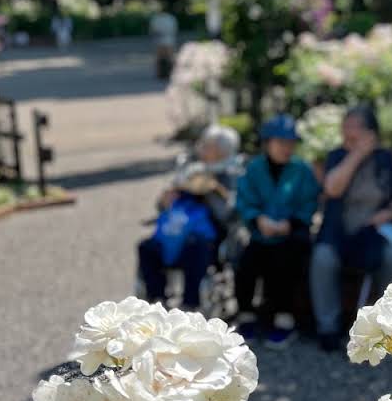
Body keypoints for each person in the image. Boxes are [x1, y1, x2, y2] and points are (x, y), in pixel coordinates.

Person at [310, 106, 392, 350]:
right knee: (322, 258)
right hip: (338, 229)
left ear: (371, 132)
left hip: (376, 227)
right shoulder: (336, 156)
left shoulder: (385, 158)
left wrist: (387, 213)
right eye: (346, 125)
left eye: (355, 125)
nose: (348, 131)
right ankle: (328, 326)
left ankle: (387, 326)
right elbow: (333, 189)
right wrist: (355, 155)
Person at [234, 114, 320, 347]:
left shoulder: (301, 169)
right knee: (245, 264)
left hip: (291, 233)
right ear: (267, 143)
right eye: (281, 143)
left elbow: (309, 202)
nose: (287, 148)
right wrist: (258, 219)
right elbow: (244, 200)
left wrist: (289, 224)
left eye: (291, 143)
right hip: (261, 232)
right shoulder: (254, 168)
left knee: (283, 264)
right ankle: (247, 315)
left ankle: (284, 318)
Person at [136, 125, 242, 308]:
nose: (202, 149)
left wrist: (211, 193)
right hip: (177, 230)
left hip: (210, 233)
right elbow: (163, 206)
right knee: (147, 247)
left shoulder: (232, 174)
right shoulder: (191, 170)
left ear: (221, 152)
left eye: (208, 147)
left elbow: (228, 213)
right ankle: (157, 298)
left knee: (195, 247)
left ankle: (191, 302)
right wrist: (166, 199)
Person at [150, 9, 178, 79]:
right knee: (161, 58)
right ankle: (161, 73)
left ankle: (170, 72)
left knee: (169, 57)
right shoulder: (158, 18)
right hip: (162, 39)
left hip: (167, 39)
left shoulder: (166, 18)